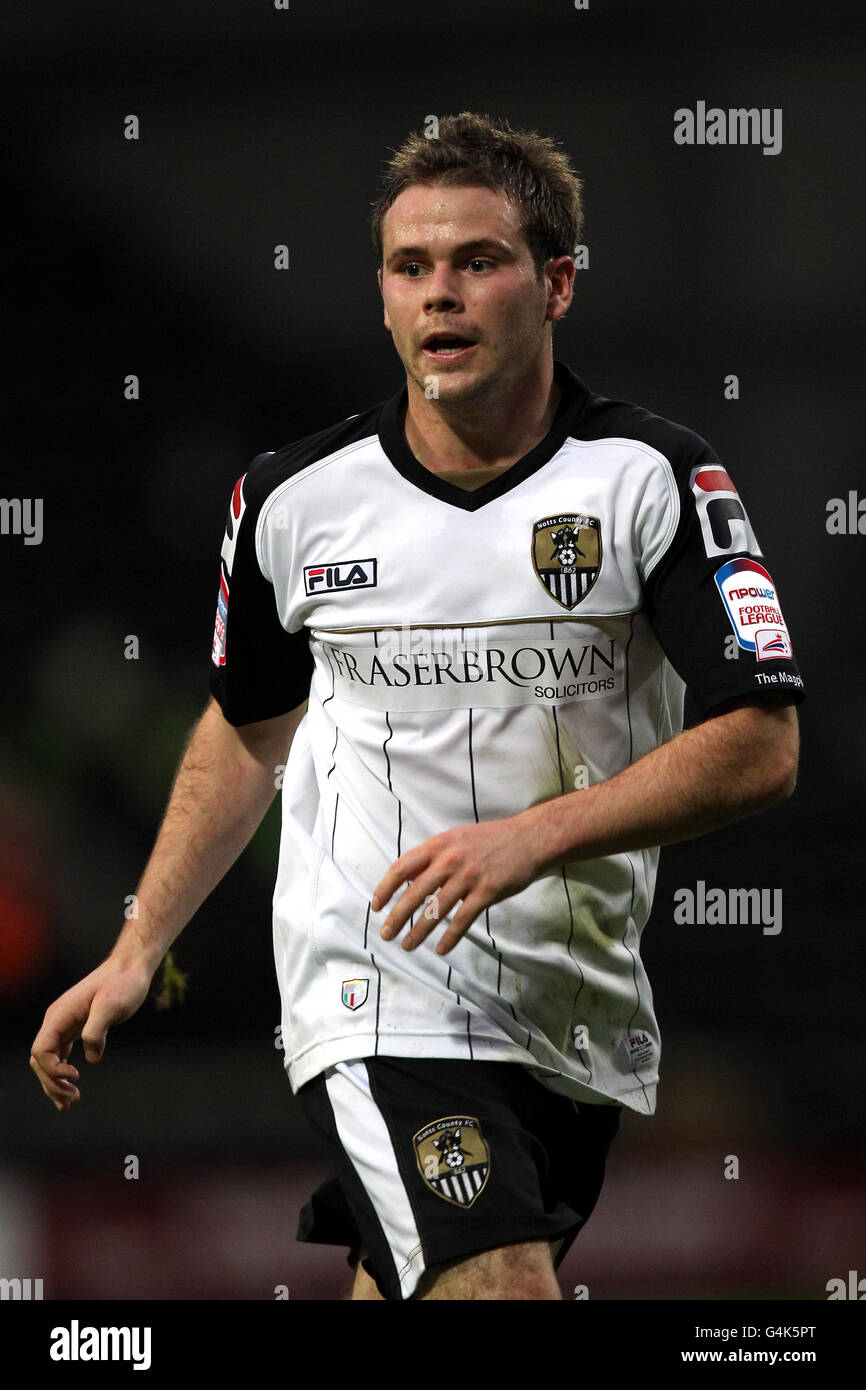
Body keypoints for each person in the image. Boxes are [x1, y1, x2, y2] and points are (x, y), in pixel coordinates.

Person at [30, 112, 804, 1301]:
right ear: (383, 296)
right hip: (375, 988)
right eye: (409, 267)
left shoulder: (650, 480)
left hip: (570, 1008)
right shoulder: (293, 501)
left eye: (476, 262)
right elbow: (246, 730)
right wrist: (141, 945)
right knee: (497, 1289)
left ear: (554, 285)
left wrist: (532, 836)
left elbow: (759, 744)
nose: (438, 294)